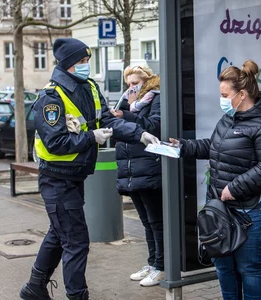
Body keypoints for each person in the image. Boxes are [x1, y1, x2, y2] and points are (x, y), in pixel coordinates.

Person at [19, 38, 158, 300]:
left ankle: (34, 288)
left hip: (74, 176)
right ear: (69, 64)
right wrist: (91, 138)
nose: (86, 66)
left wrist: (139, 134)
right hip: (56, 178)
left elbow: (107, 120)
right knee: (76, 241)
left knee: (59, 234)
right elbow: (55, 142)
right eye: (81, 62)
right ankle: (75, 295)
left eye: (87, 61)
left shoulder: (90, 87)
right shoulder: (51, 97)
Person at [170, 60, 261, 300]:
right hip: (222, 209)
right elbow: (215, 147)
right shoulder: (229, 120)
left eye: (225, 94)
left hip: (252, 209)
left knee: (249, 268)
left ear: (241, 94)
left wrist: (235, 186)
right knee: (223, 267)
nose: (221, 99)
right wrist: (183, 147)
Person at [110, 65, 164, 287]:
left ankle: (162, 265)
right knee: (145, 222)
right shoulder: (124, 101)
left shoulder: (155, 98)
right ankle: (152, 262)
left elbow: (156, 126)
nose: (131, 87)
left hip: (149, 167)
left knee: (156, 221)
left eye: (135, 83)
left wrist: (129, 113)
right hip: (131, 169)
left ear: (146, 80)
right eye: (129, 83)